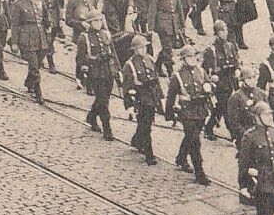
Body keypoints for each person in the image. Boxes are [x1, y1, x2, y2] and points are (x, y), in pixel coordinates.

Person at [166, 45, 212, 185]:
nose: (193, 59)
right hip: (186, 110)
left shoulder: (201, 71)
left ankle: (181, 157)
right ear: (184, 59)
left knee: (191, 136)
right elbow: (171, 95)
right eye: (189, 57)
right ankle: (199, 172)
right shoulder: (178, 75)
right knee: (195, 141)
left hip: (200, 109)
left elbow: (207, 87)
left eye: (194, 56)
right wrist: (169, 113)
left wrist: (209, 91)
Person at [226, 63, 268, 203]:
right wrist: (245, 136)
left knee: (260, 163)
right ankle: (245, 191)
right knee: (246, 164)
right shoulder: (236, 97)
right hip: (245, 136)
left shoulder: (260, 94)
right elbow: (234, 122)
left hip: (260, 135)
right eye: (249, 78)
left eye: (254, 77)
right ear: (243, 80)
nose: (252, 80)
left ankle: (257, 190)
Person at [120, 33, 161, 166]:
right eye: (141, 48)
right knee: (146, 126)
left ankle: (137, 140)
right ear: (135, 50)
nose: (143, 50)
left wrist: (160, 95)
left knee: (145, 124)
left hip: (151, 97)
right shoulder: (130, 65)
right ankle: (149, 154)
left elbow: (156, 78)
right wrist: (129, 105)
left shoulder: (150, 59)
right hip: (140, 98)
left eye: (145, 47)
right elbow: (127, 87)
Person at [78, 12, 119, 141]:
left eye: (100, 21)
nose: (98, 24)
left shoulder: (106, 34)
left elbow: (114, 54)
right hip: (95, 73)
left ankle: (91, 116)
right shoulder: (84, 38)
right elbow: (81, 58)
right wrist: (86, 67)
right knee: (103, 101)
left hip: (107, 71)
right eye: (95, 21)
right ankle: (107, 129)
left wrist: (117, 70)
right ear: (90, 23)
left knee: (104, 98)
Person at [9, 0, 49, 104]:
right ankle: (38, 93)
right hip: (26, 39)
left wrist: (50, 29)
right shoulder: (18, 4)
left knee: (37, 64)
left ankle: (29, 82)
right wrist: (14, 43)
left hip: (40, 37)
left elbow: (46, 18)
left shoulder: (40, 1)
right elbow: (14, 25)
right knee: (34, 66)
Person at [202, 19, 240, 140]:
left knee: (221, 107)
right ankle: (234, 134)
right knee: (226, 107)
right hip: (219, 82)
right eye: (222, 30)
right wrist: (211, 77)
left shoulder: (230, 46)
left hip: (230, 81)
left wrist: (238, 69)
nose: (225, 32)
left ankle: (209, 128)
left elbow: (235, 61)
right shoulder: (211, 50)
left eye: (226, 30)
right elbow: (204, 69)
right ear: (217, 33)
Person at [147, 0, 186, 78]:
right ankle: (170, 71)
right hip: (162, 22)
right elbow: (152, 10)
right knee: (168, 47)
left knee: (167, 47)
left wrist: (182, 23)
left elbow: (179, 7)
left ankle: (157, 65)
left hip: (173, 21)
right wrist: (150, 27)